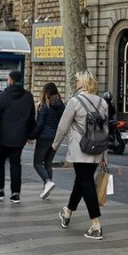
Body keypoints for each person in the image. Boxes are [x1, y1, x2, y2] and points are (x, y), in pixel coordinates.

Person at [52, 70, 108, 240]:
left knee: (86, 182)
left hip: (80, 150)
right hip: (97, 150)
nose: (75, 82)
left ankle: (96, 225)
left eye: (77, 80)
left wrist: (54, 146)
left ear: (82, 83)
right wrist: (104, 155)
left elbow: (62, 127)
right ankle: (67, 212)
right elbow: (105, 130)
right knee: (82, 181)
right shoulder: (102, 102)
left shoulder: (74, 102)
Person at [0, 70, 36, 203]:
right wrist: (31, 135)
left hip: (2, 137)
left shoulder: (2, 96)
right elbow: (31, 117)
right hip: (19, 137)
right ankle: (15, 193)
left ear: (11, 80)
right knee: (15, 164)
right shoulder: (28, 97)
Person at [31, 82, 65, 200]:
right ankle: (46, 188)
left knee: (37, 163)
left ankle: (47, 182)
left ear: (45, 92)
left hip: (44, 137)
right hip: (55, 138)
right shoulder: (61, 105)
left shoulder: (44, 106)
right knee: (48, 163)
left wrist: (32, 136)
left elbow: (40, 124)